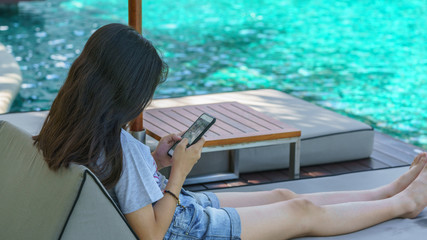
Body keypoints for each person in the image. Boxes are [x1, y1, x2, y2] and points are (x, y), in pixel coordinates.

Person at [34, 23, 427, 240]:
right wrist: (180, 171)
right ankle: (404, 204)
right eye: (146, 93)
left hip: (175, 210)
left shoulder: (65, 125)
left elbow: (122, 185)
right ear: (127, 93)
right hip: (182, 228)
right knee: (299, 209)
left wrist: (155, 162)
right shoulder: (121, 149)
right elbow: (153, 237)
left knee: (283, 193)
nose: (147, 103)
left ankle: (388, 190)